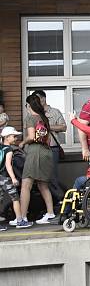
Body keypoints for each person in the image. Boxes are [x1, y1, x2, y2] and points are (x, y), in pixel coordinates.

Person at [19, 94, 57, 225]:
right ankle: (50, 213)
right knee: (43, 185)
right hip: (47, 152)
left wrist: (22, 143)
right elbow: (49, 139)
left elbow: (31, 136)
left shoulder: (30, 118)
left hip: (35, 152)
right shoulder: (44, 118)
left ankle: (22, 217)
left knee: (26, 185)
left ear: (29, 106)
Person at [26, 90, 66, 200]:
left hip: (52, 148)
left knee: (51, 177)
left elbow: (63, 127)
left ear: (43, 99)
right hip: (36, 149)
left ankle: (59, 200)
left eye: (37, 100)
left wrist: (46, 126)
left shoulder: (55, 112)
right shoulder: (32, 113)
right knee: (39, 179)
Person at [0, 127, 28, 229]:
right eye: (14, 136)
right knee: (15, 198)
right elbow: (8, 165)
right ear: (7, 137)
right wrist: (13, 178)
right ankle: (20, 221)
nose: (15, 138)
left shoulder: (0, 147)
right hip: (5, 178)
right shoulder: (9, 149)